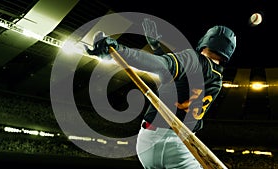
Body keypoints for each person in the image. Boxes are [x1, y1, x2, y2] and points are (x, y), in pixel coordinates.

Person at [85, 18, 236, 169]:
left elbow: (163, 67)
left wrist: (119, 51)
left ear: (207, 39)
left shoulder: (195, 59)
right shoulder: (217, 78)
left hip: (150, 141)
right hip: (178, 145)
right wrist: (157, 48)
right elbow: (176, 80)